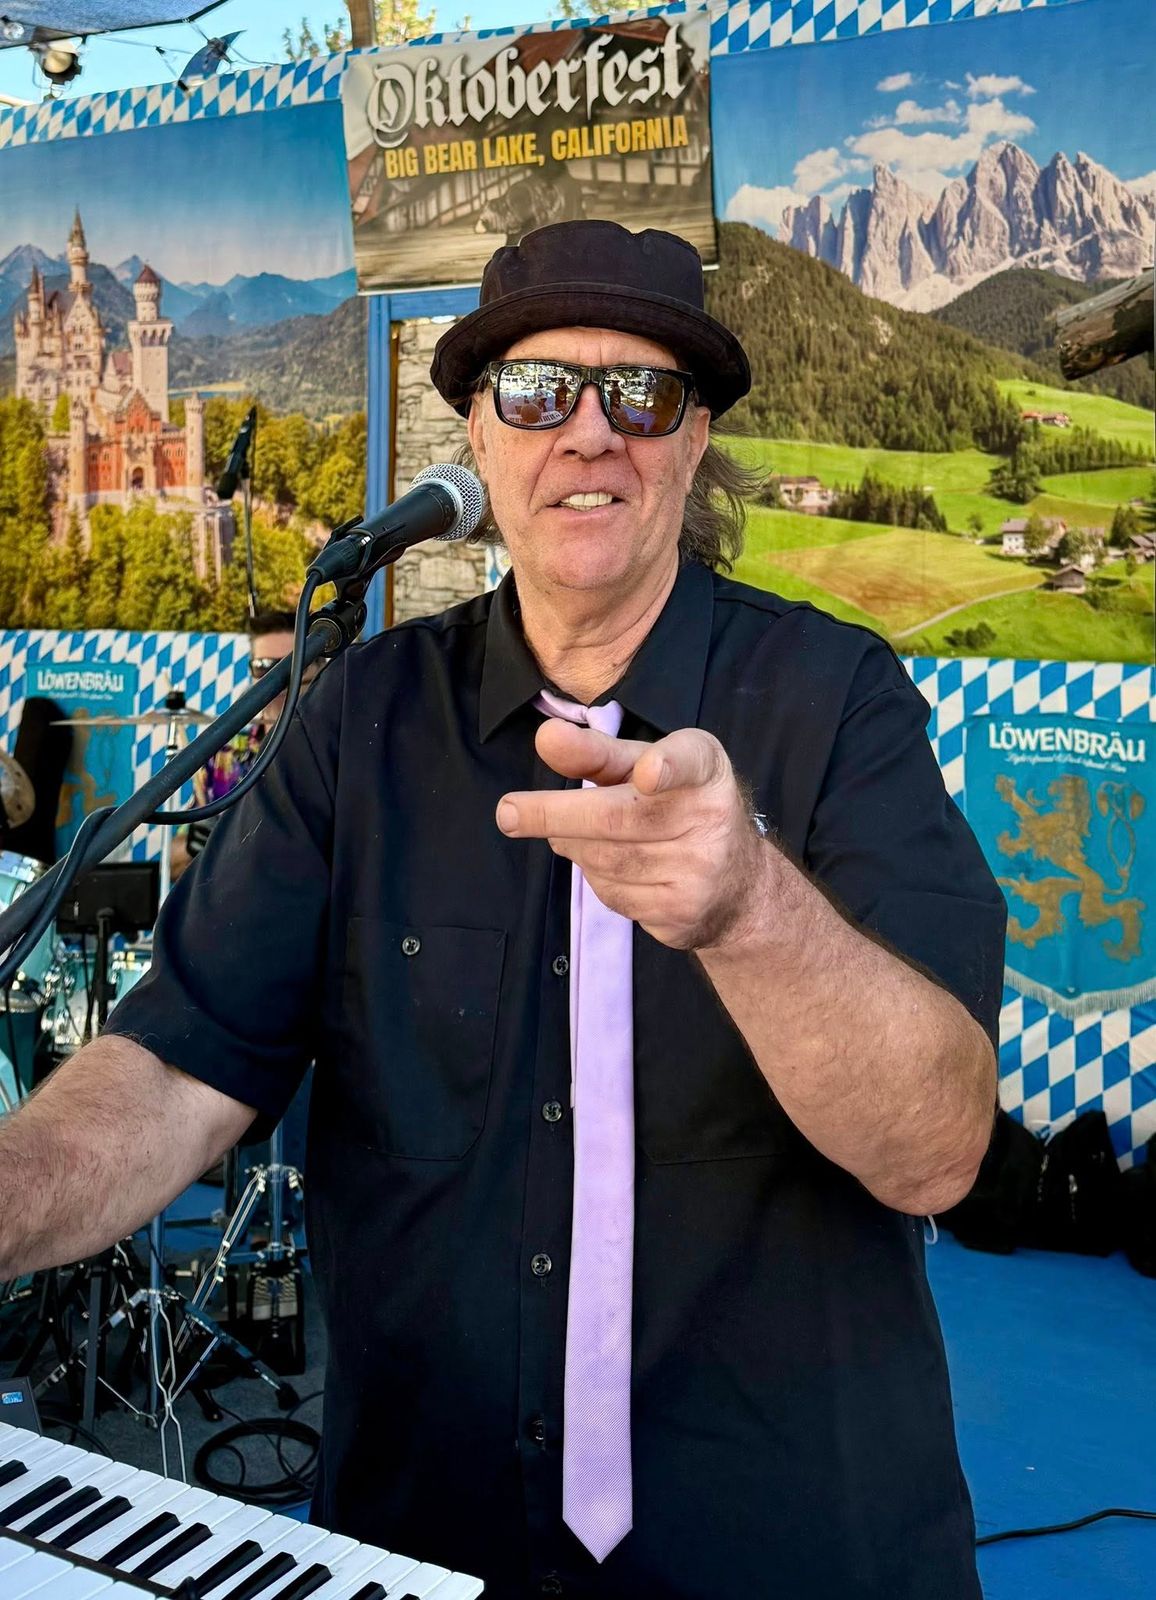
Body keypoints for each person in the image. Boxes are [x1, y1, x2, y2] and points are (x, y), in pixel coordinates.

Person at [0, 221, 1006, 1600]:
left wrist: (751, 910)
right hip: (421, 1541)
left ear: (695, 440)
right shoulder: (358, 722)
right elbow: (182, 1065)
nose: (588, 432)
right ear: (476, 434)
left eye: (639, 393)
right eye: (536, 392)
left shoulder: (840, 704)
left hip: (783, 1546)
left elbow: (938, 1149)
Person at [169, 609, 310, 882]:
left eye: (294, 665)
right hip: (239, 901)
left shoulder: (342, 752)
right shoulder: (226, 756)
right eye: (264, 666)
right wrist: (195, 846)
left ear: (320, 668)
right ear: (252, 673)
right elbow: (173, 866)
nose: (279, 681)